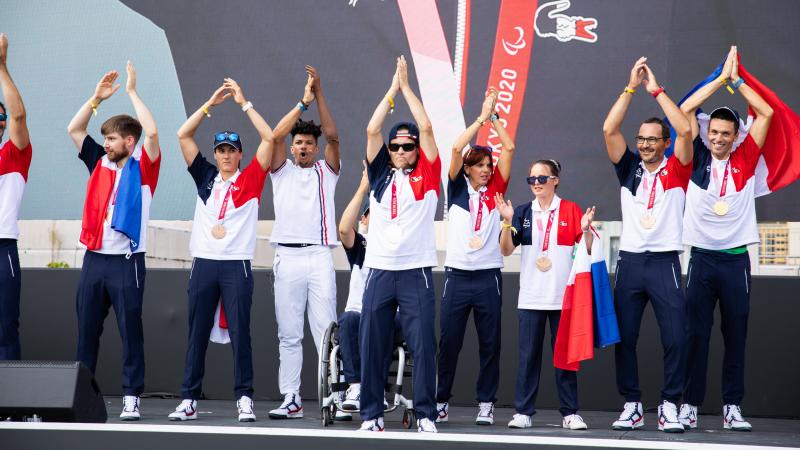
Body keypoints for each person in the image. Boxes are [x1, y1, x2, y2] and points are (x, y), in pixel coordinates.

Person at [678, 46, 773, 432]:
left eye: (725, 133)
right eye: (713, 132)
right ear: (707, 133)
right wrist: (718, 81)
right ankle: (689, 406)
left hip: (735, 261)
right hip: (701, 259)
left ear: (736, 136)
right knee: (695, 336)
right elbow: (685, 111)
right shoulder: (695, 158)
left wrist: (737, 83)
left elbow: (765, 112)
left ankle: (733, 406)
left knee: (736, 336)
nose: (718, 138)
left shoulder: (746, 158)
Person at [167, 80, 272, 423]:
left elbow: (270, 139)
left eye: (232, 150)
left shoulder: (251, 179)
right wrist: (209, 104)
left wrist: (244, 103)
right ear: (215, 154)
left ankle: (244, 397)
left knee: (242, 333)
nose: (226, 155)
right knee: (196, 333)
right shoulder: (206, 177)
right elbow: (183, 135)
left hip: (236, 266)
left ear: (241, 153)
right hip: (204, 264)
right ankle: (189, 399)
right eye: (221, 150)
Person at [601, 58, 693, 433]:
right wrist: (630, 88)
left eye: (652, 139)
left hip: (665, 262)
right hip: (631, 262)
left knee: (676, 336)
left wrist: (655, 90)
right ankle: (632, 404)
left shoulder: (678, 167)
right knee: (626, 337)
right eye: (641, 140)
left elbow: (686, 131)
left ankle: (670, 403)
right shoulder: (629, 169)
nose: (644, 144)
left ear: (665, 143)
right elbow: (609, 128)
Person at [66, 62, 161, 421]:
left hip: (126, 262)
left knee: (129, 331)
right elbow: (74, 128)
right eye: (104, 139)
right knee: (86, 333)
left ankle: (131, 397)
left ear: (128, 142)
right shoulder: (99, 162)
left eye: (111, 139)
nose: (105, 144)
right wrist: (95, 99)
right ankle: (79, 397)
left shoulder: (144, 166)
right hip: (94, 260)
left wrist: (132, 92)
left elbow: (152, 134)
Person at [359, 55, 440, 433]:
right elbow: (372, 129)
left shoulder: (427, 173)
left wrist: (407, 86)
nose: (403, 152)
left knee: (423, 347)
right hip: (378, 271)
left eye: (408, 147)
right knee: (372, 346)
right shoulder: (378, 176)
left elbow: (425, 125)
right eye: (397, 147)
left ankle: (425, 415)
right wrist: (391, 89)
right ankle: (372, 415)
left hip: (416, 272)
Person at [435, 88, 515, 426]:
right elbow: (455, 148)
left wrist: (495, 120)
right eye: (479, 165)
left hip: (488, 277)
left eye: (488, 165)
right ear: (467, 169)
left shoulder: (496, 190)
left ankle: (486, 403)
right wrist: (481, 118)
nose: (485, 169)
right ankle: (440, 401)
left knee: (490, 344)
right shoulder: (454, 188)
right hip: (456, 275)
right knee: (449, 343)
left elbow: (509, 147)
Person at [497, 160, 595, 430]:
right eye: (532, 179)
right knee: (528, 357)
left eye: (542, 178)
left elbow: (586, 249)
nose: (537, 183)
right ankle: (523, 412)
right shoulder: (521, 212)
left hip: (562, 298)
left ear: (555, 180)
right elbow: (506, 250)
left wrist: (585, 229)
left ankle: (570, 413)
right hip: (531, 297)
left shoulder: (571, 210)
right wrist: (506, 222)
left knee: (565, 358)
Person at [268, 66, 340, 420]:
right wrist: (302, 102)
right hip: (287, 257)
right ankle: (291, 398)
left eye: (309, 144)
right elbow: (273, 136)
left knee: (327, 331)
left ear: (315, 148)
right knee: (289, 334)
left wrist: (320, 94)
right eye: (299, 143)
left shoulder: (326, 171)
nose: (304, 148)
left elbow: (334, 136)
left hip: (319, 256)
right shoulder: (280, 170)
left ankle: (336, 397)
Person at [0, 33, 31, 362]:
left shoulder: (13, 155)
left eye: (0, 119)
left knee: (5, 327)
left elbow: (18, 116)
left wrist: (2, 67)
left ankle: (6, 404)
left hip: (2, 247)